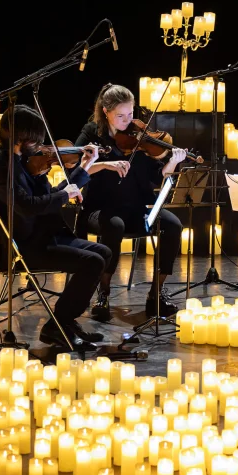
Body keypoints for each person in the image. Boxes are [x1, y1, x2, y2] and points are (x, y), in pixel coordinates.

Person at [0, 103, 112, 350]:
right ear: (20, 136)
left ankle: (64, 322)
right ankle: (58, 325)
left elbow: (50, 197)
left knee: (103, 253)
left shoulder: (23, 161)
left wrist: (84, 167)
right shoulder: (0, 166)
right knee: (92, 262)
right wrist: (65, 195)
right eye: (36, 139)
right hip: (24, 247)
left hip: (43, 236)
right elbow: (28, 206)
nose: (41, 146)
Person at [74, 83, 185, 320]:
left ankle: (156, 294)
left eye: (131, 114)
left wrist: (172, 163)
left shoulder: (140, 137)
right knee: (114, 225)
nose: (128, 121)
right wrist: (104, 164)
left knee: (173, 225)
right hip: (100, 209)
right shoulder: (92, 133)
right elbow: (75, 169)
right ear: (106, 111)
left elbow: (156, 177)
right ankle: (103, 293)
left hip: (135, 208)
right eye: (120, 116)